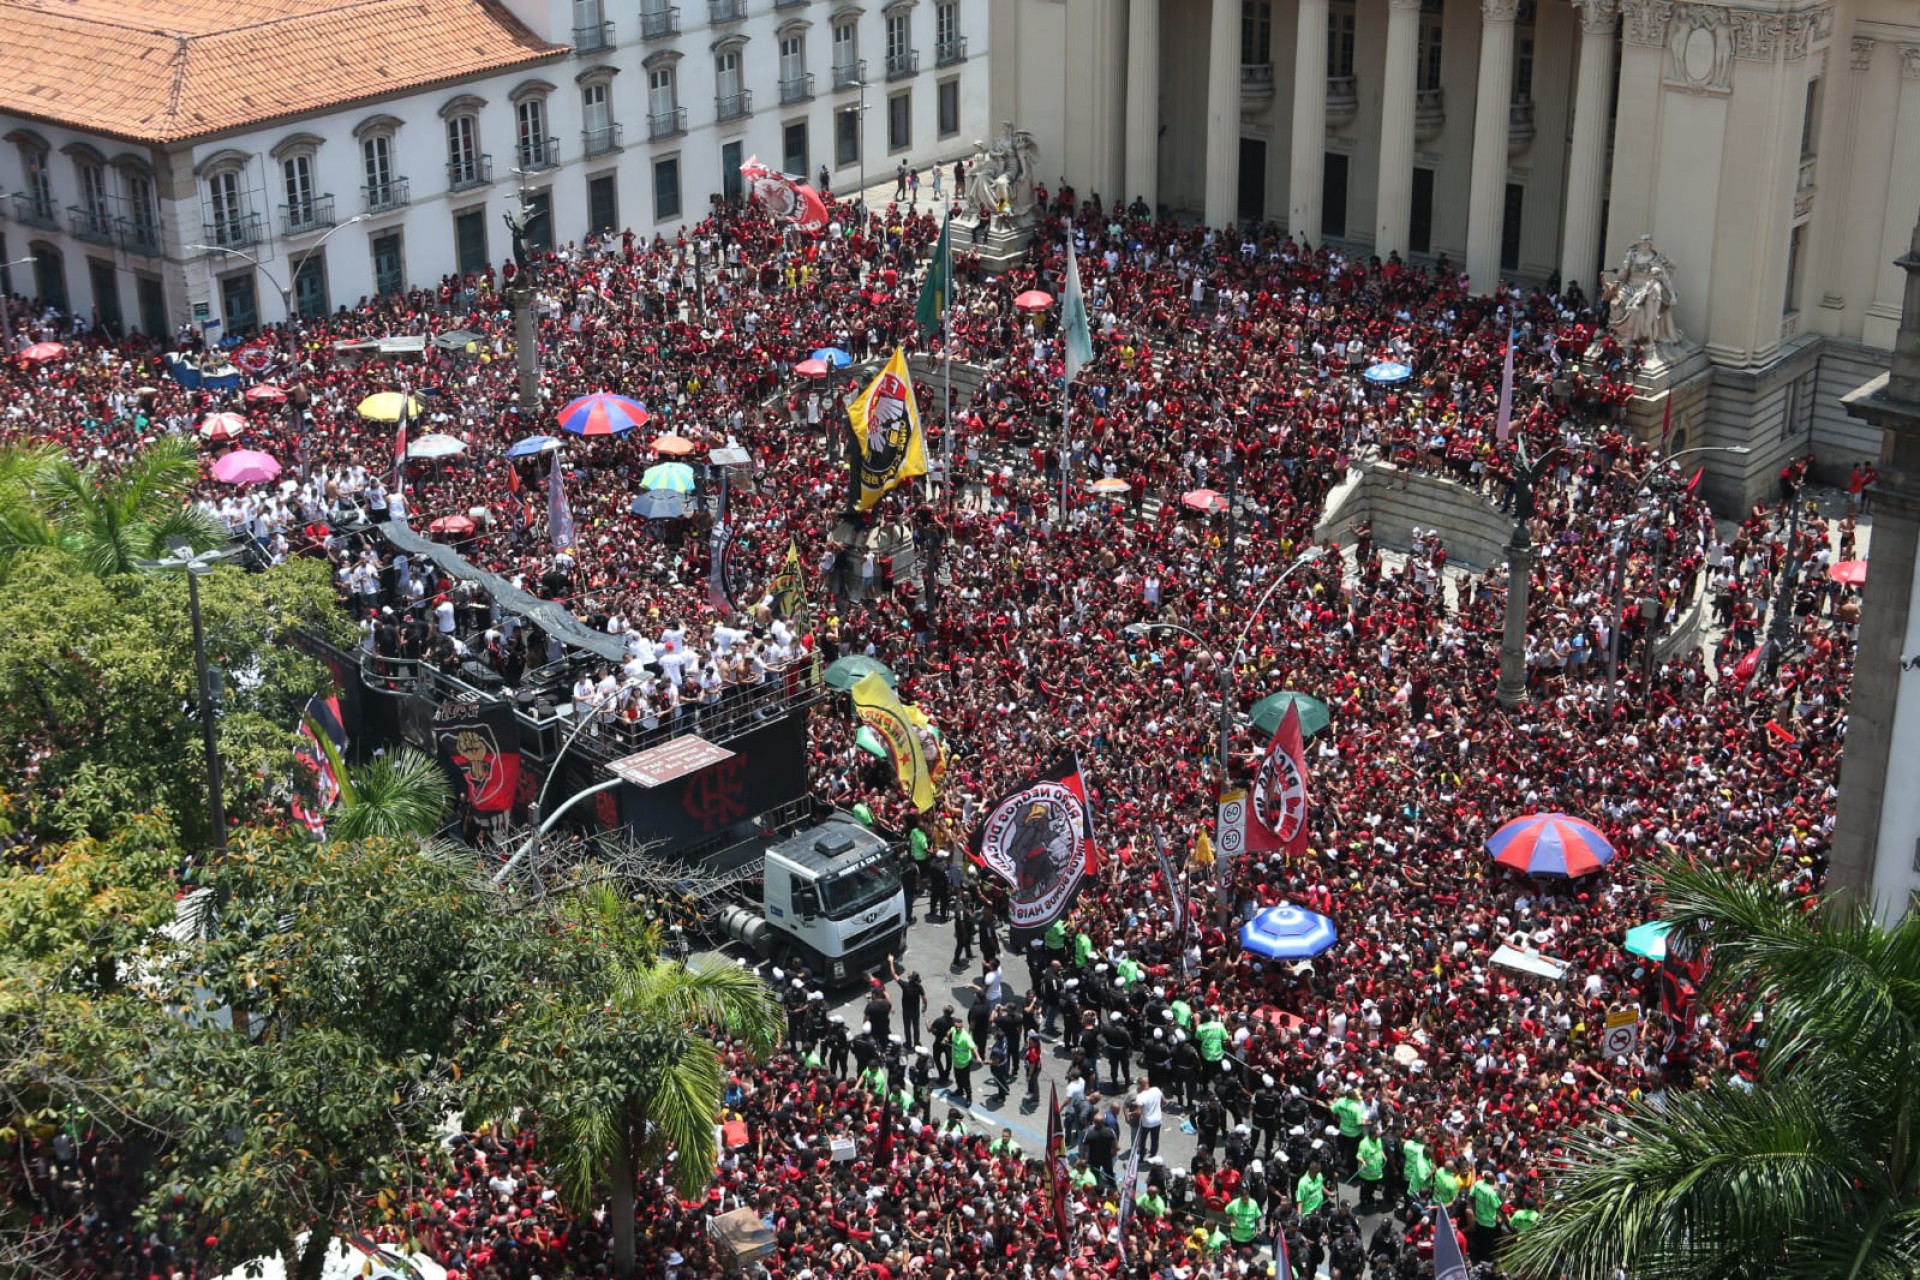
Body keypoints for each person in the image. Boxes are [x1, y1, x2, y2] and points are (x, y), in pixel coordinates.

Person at [1129, 1074, 1165, 1158]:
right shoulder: (1156, 1090)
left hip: (1146, 1122)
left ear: (1140, 1085)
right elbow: (1165, 1101)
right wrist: (1158, 1109)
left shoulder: (1140, 1096)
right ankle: (1153, 1155)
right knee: (1155, 1139)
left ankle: (1141, 1158)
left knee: (1142, 1140)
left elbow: (1138, 1112)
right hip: (1157, 1120)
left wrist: (1131, 1113)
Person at [948, 1019, 977, 1104]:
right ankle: (960, 1090)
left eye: (959, 1027)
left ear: (962, 1026)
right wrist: (947, 1037)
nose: (957, 1029)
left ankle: (969, 1097)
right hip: (956, 1062)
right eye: (956, 1027)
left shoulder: (965, 1037)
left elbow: (973, 1047)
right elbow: (950, 1030)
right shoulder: (953, 1029)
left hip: (964, 1063)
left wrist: (978, 1057)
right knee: (957, 1078)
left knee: (966, 1081)